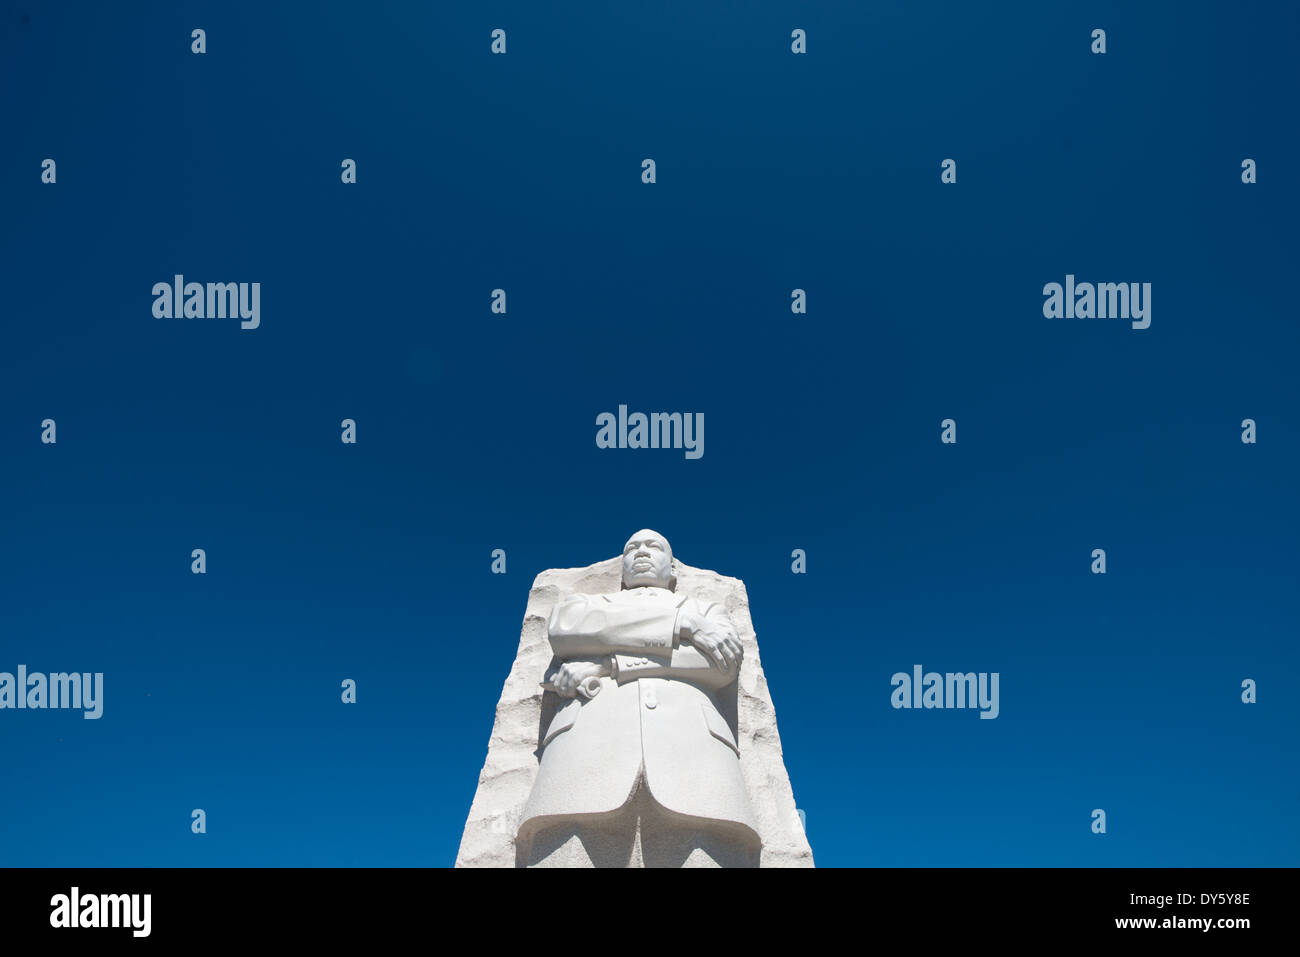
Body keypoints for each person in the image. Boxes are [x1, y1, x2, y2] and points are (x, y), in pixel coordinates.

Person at [516, 530, 761, 867]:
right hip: (584, 748)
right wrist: (682, 624)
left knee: (707, 851)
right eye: (632, 548)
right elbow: (568, 631)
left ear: (673, 569)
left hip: (697, 754)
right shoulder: (587, 605)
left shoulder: (709, 609)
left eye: (654, 546)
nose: (641, 552)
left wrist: (608, 664)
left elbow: (719, 665)